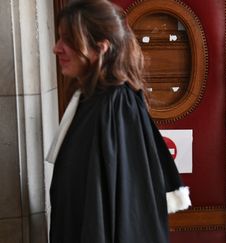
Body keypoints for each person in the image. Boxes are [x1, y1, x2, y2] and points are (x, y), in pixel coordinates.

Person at [46, 0, 191, 242]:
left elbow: (124, 207)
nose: (57, 48)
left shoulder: (116, 104)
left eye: (68, 40)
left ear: (101, 47)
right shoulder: (91, 98)